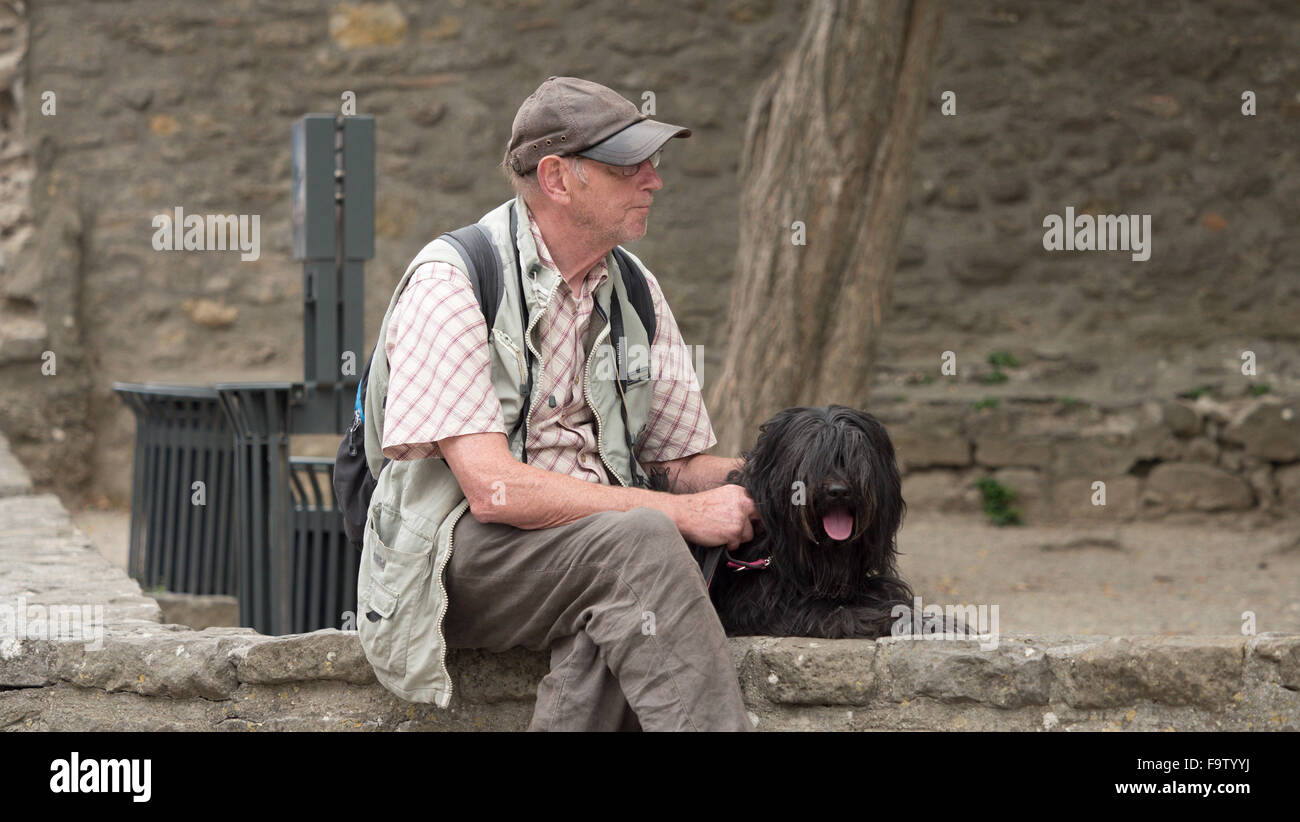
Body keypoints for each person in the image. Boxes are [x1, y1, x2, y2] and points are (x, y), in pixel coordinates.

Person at [355, 76, 759, 731]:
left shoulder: (635, 289)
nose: (654, 181)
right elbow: (493, 492)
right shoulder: (453, 281)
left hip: (594, 557)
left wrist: (788, 475)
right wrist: (680, 514)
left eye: (652, 163)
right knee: (644, 545)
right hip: (460, 563)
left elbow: (681, 464)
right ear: (557, 178)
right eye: (630, 166)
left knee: (623, 595)